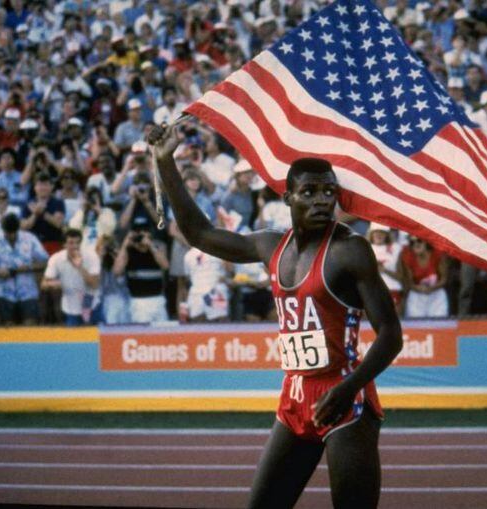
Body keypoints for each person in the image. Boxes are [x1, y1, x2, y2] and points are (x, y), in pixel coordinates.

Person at [149, 124, 402, 509]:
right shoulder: (271, 246)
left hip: (345, 398)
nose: (322, 201)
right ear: (288, 198)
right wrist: (166, 161)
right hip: (294, 397)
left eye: (329, 192)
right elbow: (200, 234)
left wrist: (349, 388)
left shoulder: (350, 250)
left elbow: (391, 334)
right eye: (309, 192)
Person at [0, 213, 48, 325]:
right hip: (4, 293)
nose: (11, 236)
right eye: (8, 233)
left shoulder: (30, 239)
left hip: (28, 292)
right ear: (3, 229)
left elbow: (46, 262)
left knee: (30, 328)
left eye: (14, 232)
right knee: (8, 329)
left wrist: (29, 267)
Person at [113, 216, 170, 324]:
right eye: (138, 231)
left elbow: (165, 265)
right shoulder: (128, 251)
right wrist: (125, 244)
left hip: (158, 300)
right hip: (138, 302)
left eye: (145, 230)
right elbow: (117, 271)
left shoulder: (156, 248)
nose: (142, 234)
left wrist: (150, 245)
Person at [42, 228, 102, 325]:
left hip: (91, 304)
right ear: (64, 244)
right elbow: (44, 284)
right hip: (71, 308)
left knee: (95, 333)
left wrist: (80, 267)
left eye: (78, 243)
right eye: (71, 243)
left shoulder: (91, 256)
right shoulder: (56, 259)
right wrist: (55, 284)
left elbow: (95, 284)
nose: (75, 246)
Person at [398, 236, 449, 318]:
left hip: (437, 294)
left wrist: (432, 288)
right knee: (415, 323)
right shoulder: (408, 256)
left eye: (419, 240)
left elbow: (444, 279)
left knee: (439, 323)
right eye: (412, 242)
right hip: (417, 294)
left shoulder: (437, 254)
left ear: (426, 242)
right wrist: (418, 288)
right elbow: (409, 282)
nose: (416, 244)